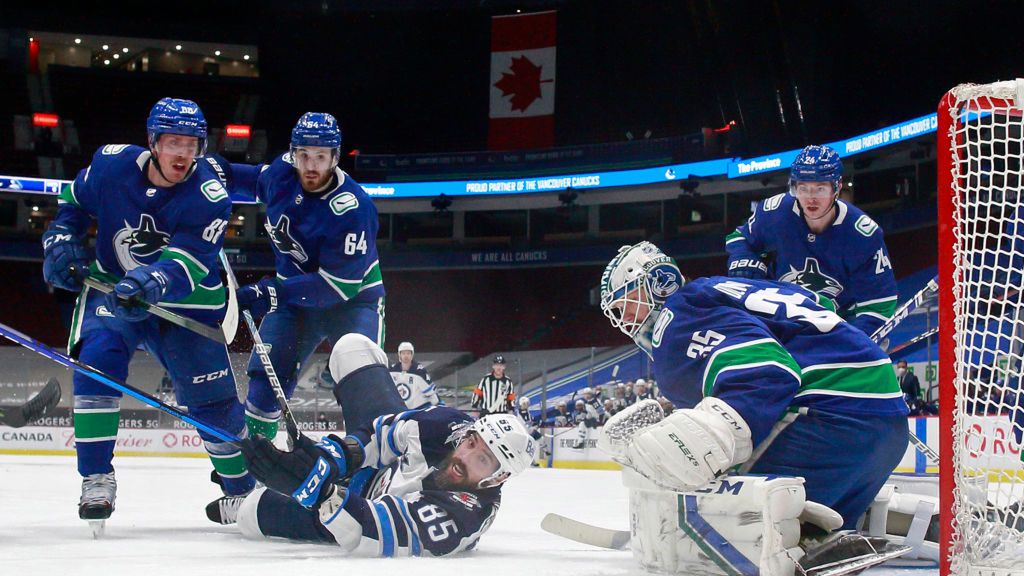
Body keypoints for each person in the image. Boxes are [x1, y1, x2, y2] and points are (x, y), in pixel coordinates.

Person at [41, 97, 254, 526]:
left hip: (187, 305)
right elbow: (75, 202)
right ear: (153, 142)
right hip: (115, 291)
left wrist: (153, 281)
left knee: (211, 404)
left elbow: (191, 261)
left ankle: (242, 493)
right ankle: (96, 476)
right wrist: (61, 239)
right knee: (96, 362)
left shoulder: (210, 194)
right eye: (173, 142)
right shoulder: (110, 165)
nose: (183, 154)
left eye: (192, 144)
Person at [599, 241, 908, 530]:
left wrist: (699, 441)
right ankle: (836, 523)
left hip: (830, 422)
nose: (624, 317)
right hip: (886, 423)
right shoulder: (727, 290)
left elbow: (768, 373)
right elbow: (822, 303)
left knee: (709, 503)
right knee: (812, 527)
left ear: (658, 282)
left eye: (627, 302)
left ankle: (775, 533)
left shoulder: (677, 316)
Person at [209, 333, 536, 558]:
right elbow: (383, 434)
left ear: (496, 479)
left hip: (355, 506)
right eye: (472, 441)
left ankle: (240, 503)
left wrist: (318, 488)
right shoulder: (448, 426)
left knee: (252, 512)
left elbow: (369, 533)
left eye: (482, 459)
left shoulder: (462, 516)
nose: (465, 453)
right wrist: (332, 459)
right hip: (379, 470)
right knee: (353, 347)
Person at [225, 112, 384, 441]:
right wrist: (210, 173)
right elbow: (252, 181)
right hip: (293, 303)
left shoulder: (353, 208)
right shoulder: (283, 173)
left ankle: (368, 464)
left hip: (353, 303)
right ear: (293, 153)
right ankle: (255, 469)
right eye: (304, 156)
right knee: (266, 380)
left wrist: (270, 293)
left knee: (362, 381)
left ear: (335, 158)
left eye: (321, 157)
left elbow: (336, 286)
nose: (311, 166)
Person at [725, 145, 897, 336]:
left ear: (837, 188)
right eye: (803, 188)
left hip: (838, 323)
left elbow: (879, 306)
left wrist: (852, 341)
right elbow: (740, 238)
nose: (810, 198)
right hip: (779, 318)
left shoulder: (863, 234)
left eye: (820, 189)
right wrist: (743, 260)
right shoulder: (775, 212)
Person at [388, 341, 439, 410]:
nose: (406, 356)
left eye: (408, 353)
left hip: (417, 409)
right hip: (398, 409)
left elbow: (432, 393)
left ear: (412, 355)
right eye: (403, 353)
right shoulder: (392, 370)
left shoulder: (419, 371)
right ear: (399, 354)